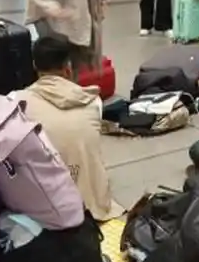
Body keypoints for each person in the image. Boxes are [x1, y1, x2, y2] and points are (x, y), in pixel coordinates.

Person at [14, 35, 123, 221]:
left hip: (41, 207)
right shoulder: (93, 101)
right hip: (88, 207)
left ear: (34, 65)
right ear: (68, 67)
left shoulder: (16, 102)